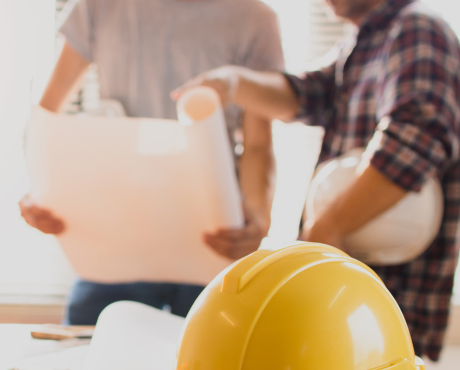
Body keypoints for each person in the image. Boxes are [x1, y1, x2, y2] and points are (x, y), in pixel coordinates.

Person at [173, 0, 460, 361]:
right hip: (350, 314)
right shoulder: (362, 45)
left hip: (383, 307)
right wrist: (234, 83)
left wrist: (327, 229)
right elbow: (305, 94)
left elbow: (415, 139)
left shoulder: (418, 30)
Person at [20, 0, 285, 325]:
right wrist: (41, 193)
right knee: (88, 339)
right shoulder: (97, 6)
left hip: (210, 235)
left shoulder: (255, 18)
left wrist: (258, 215)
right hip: (116, 233)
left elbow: (258, 143)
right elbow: (47, 116)